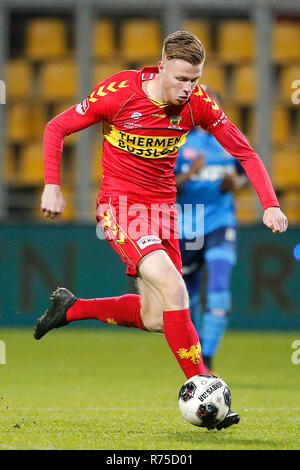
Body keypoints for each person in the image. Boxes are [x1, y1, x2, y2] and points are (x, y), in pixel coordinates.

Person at [34, 30, 288, 431]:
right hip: (122, 208)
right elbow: (55, 127)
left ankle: (72, 308)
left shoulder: (198, 105)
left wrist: (270, 203)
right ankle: (204, 386)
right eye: (182, 79)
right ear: (163, 65)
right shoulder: (118, 93)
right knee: (176, 289)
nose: (188, 89)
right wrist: (52, 184)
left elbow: (244, 151)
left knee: (155, 317)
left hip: (164, 212)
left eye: (196, 80)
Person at [175, 87, 248, 374]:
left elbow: (243, 177)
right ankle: (196, 358)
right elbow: (165, 185)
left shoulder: (229, 139)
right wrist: (190, 173)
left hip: (220, 223)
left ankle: (208, 358)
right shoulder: (176, 141)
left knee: (219, 290)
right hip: (187, 226)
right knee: (186, 297)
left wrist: (234, 185)